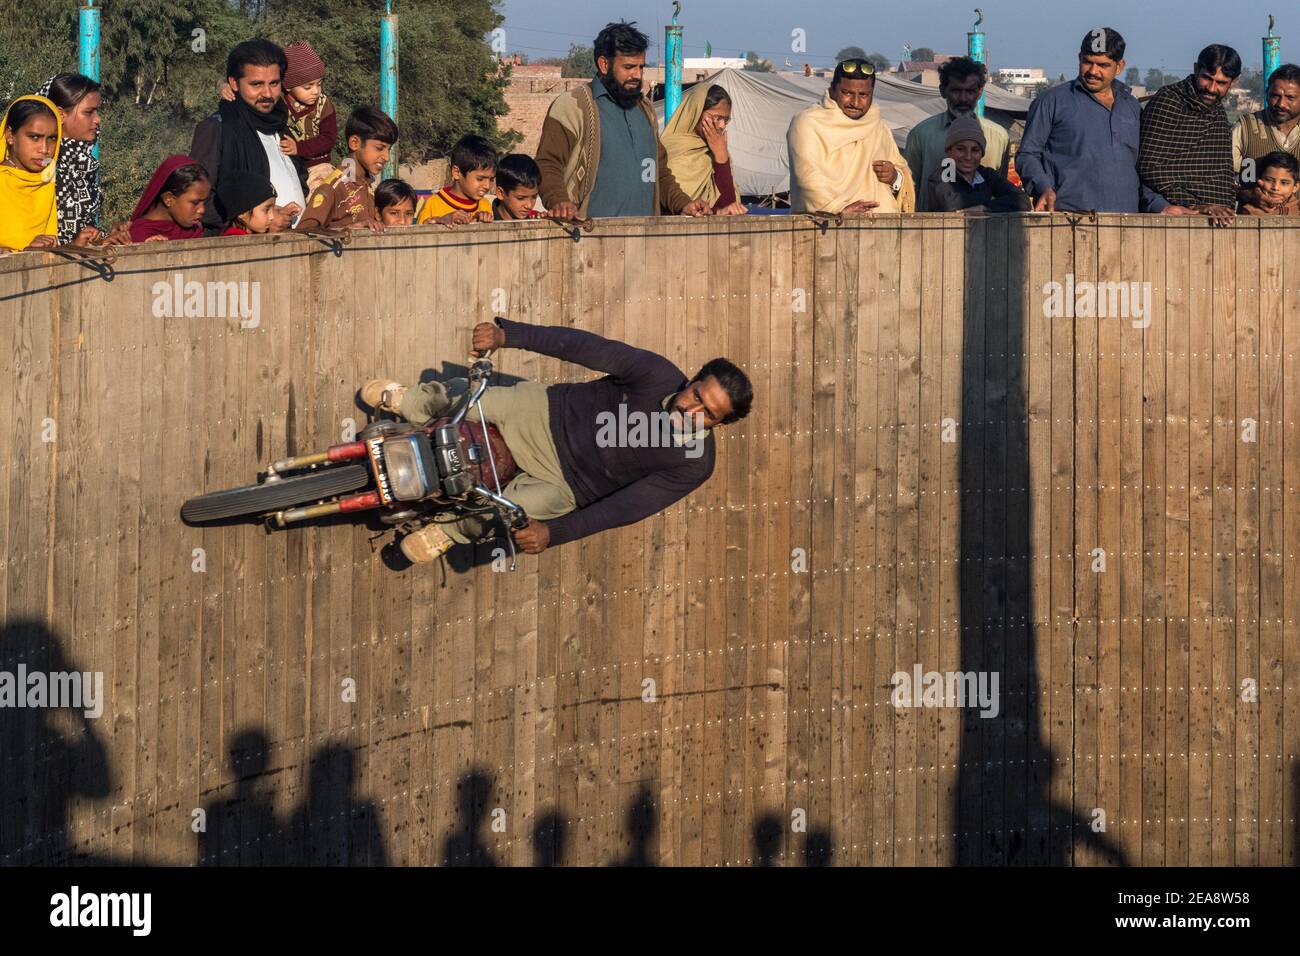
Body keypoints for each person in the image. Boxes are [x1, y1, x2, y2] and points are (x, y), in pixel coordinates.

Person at [358, 318, 753, 562]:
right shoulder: (657, 373)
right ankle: (409, 399)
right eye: (696, 395)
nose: (691, 410)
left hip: (564, 484)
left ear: (722, 424)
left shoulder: (694, 464)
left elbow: (625, 508)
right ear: (694, 378)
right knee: (472, 396)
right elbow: (587, 348)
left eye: (709, 413)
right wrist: (508, 335)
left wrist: (554, 534)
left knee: (510, 514)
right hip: (544, 413)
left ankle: (447, 532)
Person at [536, 21, 709, 220]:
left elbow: (657, 172)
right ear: (604, 64)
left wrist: (684, 203)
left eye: (641, 67)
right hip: (587, 238)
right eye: (628, 67)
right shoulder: (573, 106)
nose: (637, 74)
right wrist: (559, 202)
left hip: (644, 241)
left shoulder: (645, 110)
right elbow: (547, 163)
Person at [1018, 28, 1181, 215]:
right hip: (1068, 222)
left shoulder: (1132, 107)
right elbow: (1028, 154)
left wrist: (1161, 206)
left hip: (1129, 225)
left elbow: (1144, 169)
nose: (1093, 71)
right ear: (1079, 58)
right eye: (1087, 62)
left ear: (1119, 66)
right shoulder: (1051, 101)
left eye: (1103, 65)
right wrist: (1043, 187)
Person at [190, 38, 304, 235]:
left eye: (274, 83)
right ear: (234, 83)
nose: (267, 93)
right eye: (257, 84)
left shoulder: (282, 128)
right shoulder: (217, 129)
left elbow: (301, 178)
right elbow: (200, 201)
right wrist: (259, 222)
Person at [787, 58, 914, 214]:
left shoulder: (879, 127)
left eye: (863, 95)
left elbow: (902, 173)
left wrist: (894, 177)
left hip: (881, 230)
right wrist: (838, 209)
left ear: (872, 94)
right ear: (833, 90)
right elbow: (807, 177)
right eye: (847, 93)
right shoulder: (807, 123)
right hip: (825, 230)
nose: (855, 102)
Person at [1138, 43, 1241, 224]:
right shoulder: (1168, 101)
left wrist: (1219, 206)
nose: (1211, 88)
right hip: (1175, 216)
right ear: (1196, 69)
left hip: (1219, 217)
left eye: (1221, 83)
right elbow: (1148, 166)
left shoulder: (1217, 112)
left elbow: (1222, 173)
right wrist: (1195, 204)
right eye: (1207, 78)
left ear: (1234, 82)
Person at [905, 57, 1009, 211]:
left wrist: (987, 206)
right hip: (931, 230)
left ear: (980, 92)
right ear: (943, 91)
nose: (963, 99)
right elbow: (909, 189)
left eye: (970, 91)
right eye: (956, 91)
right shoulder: (921, 135)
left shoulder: (999, 137)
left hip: (984, 230)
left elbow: (1002, 190)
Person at [36, 74, 123, 245]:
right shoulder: (40, 165)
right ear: (60, 115)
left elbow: (79, 231)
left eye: (97, 111)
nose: (98, 119)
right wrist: (73, 246)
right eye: (89, 112)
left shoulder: (82, 164)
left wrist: (103, 237)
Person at [295, 106, 395, 232]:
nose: (386, 157)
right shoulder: (333, 187)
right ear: (354, 143)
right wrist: (346, 230)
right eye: (380, 148)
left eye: (389, 149)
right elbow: (304, 230)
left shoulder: (369, 185)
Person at [661, 83, 748, 215]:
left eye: (726, 119)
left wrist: (721, 159)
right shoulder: (667, 149)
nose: (721, 125)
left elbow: (729, 206)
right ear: (695, 111)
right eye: (716, 118)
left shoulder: (719, 152)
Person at [925, 116, 1029, 214]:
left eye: (975, 150)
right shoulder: (941, 176)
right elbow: (949, 204)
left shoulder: (988, 175)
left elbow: (1023, 201)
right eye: (961, 149)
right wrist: (989, 197)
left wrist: (986, 208)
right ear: (949, 151)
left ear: (982, 154)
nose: (968, 157)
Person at [0, 95, 61, 252]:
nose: (44, 149)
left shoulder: (46, 182)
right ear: (10, 136)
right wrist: (25, 253)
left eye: (52, 138)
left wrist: (76, 245)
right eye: (34, 137)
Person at [416, 134, 496, 225]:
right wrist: (440, 220)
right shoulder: (433, 204)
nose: (487, 186)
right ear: (457, 173)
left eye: (491, 179)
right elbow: (420, 234)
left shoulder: (485, 205)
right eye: (480, 179)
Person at [128, 156, 211, 242]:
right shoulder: (139, 235)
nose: (202, 210)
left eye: (204, 202)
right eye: (195, 202)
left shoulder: (193, 229)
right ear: (169, 199)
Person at [1238, 150, 1300, 215]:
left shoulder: (1298, 208)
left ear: (1295, 187)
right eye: (1268, 180)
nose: (1275, 188)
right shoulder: (1248, 211)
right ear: (1259, 180)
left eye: (1284, 183)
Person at [216, 170, 277, 235]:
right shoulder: (237, 242)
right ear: (242, 213)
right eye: (266, 210)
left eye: (273, 208)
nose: (272, 216)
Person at [492, 154, 544, 220]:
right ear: (501, 193)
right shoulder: (483, 219)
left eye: (534, 197)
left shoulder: (535, 218)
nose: (529, 205)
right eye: (520, 198)